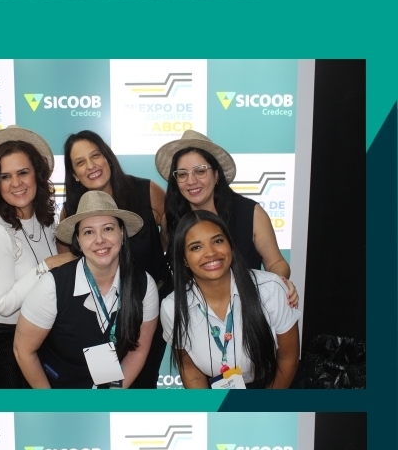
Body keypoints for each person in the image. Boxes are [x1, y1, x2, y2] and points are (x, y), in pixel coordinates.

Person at [13, 190, 159, 388]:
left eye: (108, 229)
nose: (99, 240)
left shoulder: (144, 285)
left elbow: (138, 350)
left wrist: (112, 395)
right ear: (78, 241)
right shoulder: (52, 286)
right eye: (89, 232)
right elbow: (23, 351)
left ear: (122, 234)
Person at [0, 127, 71, 387]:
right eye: (6, 176)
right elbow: (3, 304)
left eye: (23, 172)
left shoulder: (44, 217)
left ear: (38, 174)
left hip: (38, 329)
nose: (16, 183)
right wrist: (47, 266)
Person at [62, 133, 170, 377]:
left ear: (108, 158)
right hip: (100, 314)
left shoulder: (147, 191)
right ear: (74, 174)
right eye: (80, 162)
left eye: (95, 156)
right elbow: (69, 267)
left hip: (151, 307)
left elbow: (172, 235)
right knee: (106, 383)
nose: (91, 166)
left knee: (143, 380)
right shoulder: (71, 212)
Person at [163, 210, 299, 388]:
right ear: (185, 260)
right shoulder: (172, 307)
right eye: (196, 247)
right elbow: (189, 368)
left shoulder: (271, 289)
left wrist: (266, 404)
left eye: (218, 241)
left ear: (230, 246)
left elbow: (288, 357)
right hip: (215, 391)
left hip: (272, 386)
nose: (210, 253)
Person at [156, 134, 291, 280]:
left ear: (216, 175)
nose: (191, 181)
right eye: (182, 174)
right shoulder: (172, 218)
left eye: (200, 171)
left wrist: (278, 285)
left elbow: (276, 262)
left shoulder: (250, 214)